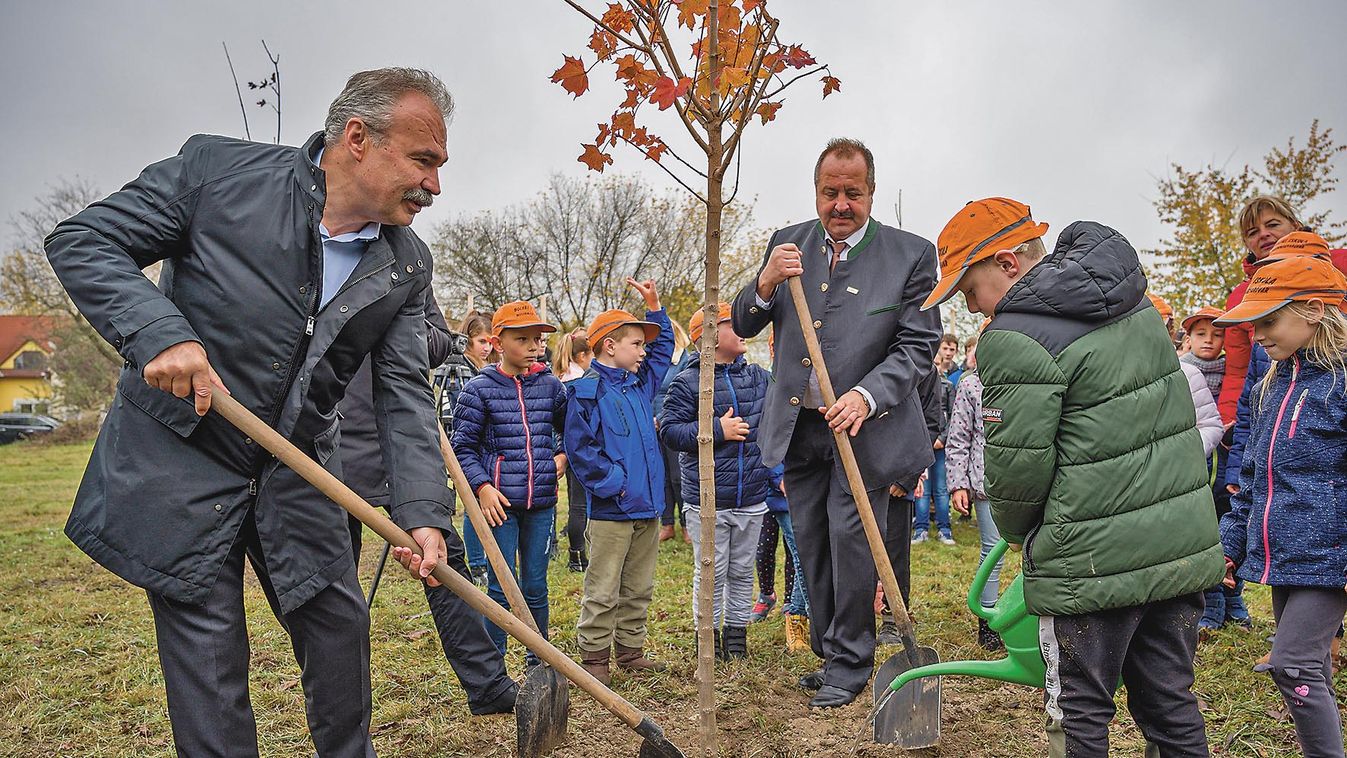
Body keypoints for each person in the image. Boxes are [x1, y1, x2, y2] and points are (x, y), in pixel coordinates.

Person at [45, 68, 457, 756]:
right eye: (423, 161)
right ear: (358, 138)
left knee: (337, 629)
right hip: (184, 461)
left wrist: (421, 513)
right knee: (209, 662)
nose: (435, 185)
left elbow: (404, 396)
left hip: (300, 469)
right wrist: (160, 331)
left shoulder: (404, 264)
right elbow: (84, 241)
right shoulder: (218, 175)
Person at [924, 197, 1224, 756]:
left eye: (969, 289)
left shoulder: (1013, 336)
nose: (970, 307)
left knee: (1081, 707)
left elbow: (1015, 472)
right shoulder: (1133, 304)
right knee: (1171, 704)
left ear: (1009, 264)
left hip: (1089, 561)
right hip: (1174, 546)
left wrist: (1017, 532)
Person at [731, 138, 940, 708]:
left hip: (864, 428)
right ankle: (830, 650)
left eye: (853, 193)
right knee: (812, 540)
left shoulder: (911, 256)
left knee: (853, 541)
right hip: (800, 427)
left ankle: (853, 660)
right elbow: (744, 322)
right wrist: (765, 283)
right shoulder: (787, 244)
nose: (841, 204)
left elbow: (918, 346)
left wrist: (867, 397)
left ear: (870, 191)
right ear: (816, 191)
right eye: (831, 193)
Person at [339, 288, 517, 715]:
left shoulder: (404, 263)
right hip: (329, 443)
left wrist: (388, 319)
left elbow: (438, 342)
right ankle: (342, 704)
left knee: (443, 560)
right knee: (334, 578)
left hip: (401, 442)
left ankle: (488, 685)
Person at [1215, 245, 1347, 758]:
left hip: (1330, 559)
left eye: (1268, 320)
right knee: (1309, 669)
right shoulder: (1271, 384)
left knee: (1291, 664)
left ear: (1314, 310)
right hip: (1283, 557)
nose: (1259, 333)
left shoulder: (1340, 385)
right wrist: (1231, 545)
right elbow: (1250, 478)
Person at [564, 278, 674, 685]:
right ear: (610, 345)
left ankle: (630, 650)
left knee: (639, 585)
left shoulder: (639, 385)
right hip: (613, 509)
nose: (643, 352)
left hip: (647, 506)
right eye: (636, 344)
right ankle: (594, 657)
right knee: (604, 586)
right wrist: (617, 484)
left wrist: (654, 309)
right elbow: (581, 451)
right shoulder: (585, 392)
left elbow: (663, 353)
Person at [451, 300, 566, 665]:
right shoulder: (479, 389)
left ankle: (540, 661)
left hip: (542, 502)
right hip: (499, 504)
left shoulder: (551, 386)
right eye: (524, 339)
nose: (534, 346)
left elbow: (568, 431)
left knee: (535, 586)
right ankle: (493, 668)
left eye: (538, 338)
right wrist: (483, 487)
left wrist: (561, 456)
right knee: (501, 589)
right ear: (499, 343)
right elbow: (462, 448)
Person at [658, 303, 771, 659]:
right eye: (731, 324)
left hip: (751, 495)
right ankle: (707, 638)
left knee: (740, 570)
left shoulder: (757, 377)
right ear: (707, 336)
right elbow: (671, 431)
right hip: (708, 499)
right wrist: (715, 430)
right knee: (711, 572)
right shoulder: (688, 381)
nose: (742, 329)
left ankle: (736, 637)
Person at [1178, 305, 1251, 633]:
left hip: (1231, 462)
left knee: (1232, 525)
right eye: (1200, 333)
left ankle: (1234, 598)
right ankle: (1211, 602)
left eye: (1217, 333)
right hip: (1197, 463)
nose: (1209, 340)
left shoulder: (1236, 375)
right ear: (1188, 339)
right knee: (1202, 532)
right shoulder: (1179, 371)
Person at [943, 334, 1005, 651]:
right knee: (993, 553)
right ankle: (988, 621)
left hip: (1023, 481)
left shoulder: (1023, 381)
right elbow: (958, 438)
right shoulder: (970, 386)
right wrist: (958, 484)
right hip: (985, 483)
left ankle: (1031, 619)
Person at [454, 311, 497, 587]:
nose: (487, 347)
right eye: (481, 340)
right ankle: (478, 563)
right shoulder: (459, 369)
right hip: (468, 443)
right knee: (472, 506)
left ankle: (489, 558)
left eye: (489, 341)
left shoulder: (487, 368)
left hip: (489, 444)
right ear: (467, 340)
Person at [552, 329, 594, 571]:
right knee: (580, 505)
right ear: (581, 356)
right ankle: (577, 556)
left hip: (564, 448)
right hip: (579, 448)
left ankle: (575, 553)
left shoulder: (558, 379)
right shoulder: (581, 384)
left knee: (573, 503)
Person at [654, 319, 693, 543]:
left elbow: (681, 395)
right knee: (662, 477)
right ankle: (667, 523)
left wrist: (661, 418)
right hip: (654, 427)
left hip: (675, 425)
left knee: (678, 477)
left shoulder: (683, 361)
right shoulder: (654, 362)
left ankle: (686, 524)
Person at [911, 354, 954, 545]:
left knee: (941, 489)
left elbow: (953, 416)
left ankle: (945, 529)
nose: (934, 367)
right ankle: (920, 528)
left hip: (940, 447)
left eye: (937, 364)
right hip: (922, 445)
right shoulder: (916, 385)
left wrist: (941, 439)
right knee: (922, 489)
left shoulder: (948, 386)